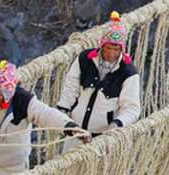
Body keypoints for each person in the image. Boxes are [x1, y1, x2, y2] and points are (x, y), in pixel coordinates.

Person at [57, 11, 140, 151]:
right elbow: (71, 87)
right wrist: (63, 110)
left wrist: (118, 123)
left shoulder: (128, 72)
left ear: (122, 49)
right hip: (76, 133)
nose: (111, 53)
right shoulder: (85, 59)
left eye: (116, 49)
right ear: (102, 45)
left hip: (102, 140)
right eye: (108, 48)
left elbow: (132, 107)